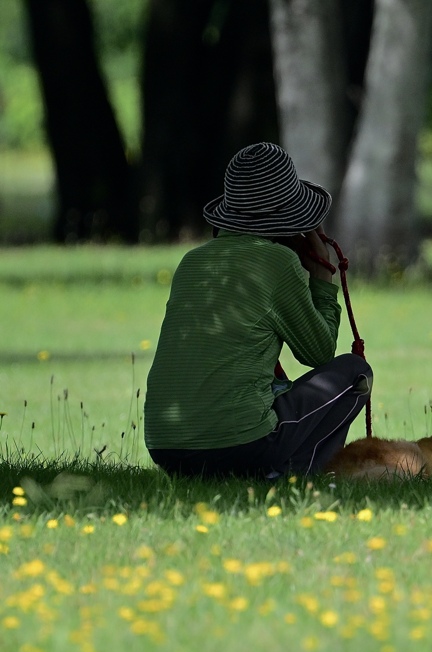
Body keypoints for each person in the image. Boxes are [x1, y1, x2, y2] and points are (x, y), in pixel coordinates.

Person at [144, 142, 372, 478]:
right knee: (355, 372)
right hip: (239, 444)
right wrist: (323, 280)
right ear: (295, 220)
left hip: (165, 447)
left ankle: (271, 469)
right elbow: (320, 353)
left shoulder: (192, 262)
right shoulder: (278, 262)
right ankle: (301, 473)